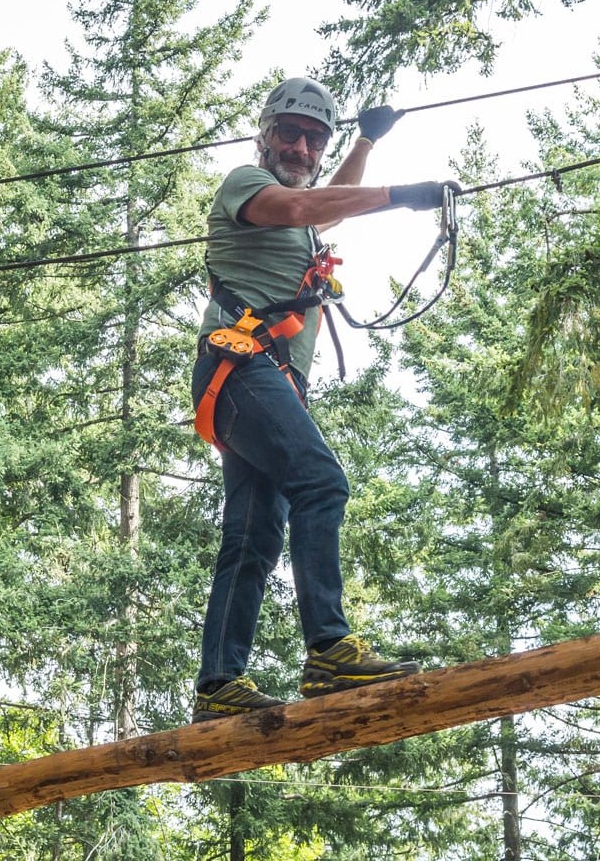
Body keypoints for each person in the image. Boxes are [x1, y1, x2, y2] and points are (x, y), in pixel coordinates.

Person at [189, 76, 455, 723]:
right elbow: (305, 208)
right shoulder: (244, 185)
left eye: (315, 139)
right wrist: (402, 195)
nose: (303, 148)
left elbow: (323, 209)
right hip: (241, 365)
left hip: (268, 382)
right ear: (265, 133)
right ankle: (329, 649)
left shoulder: (300, 203)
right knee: (322, 482)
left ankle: (219, 684)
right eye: (291, 133)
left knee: (252, 536)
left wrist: (363, 140)